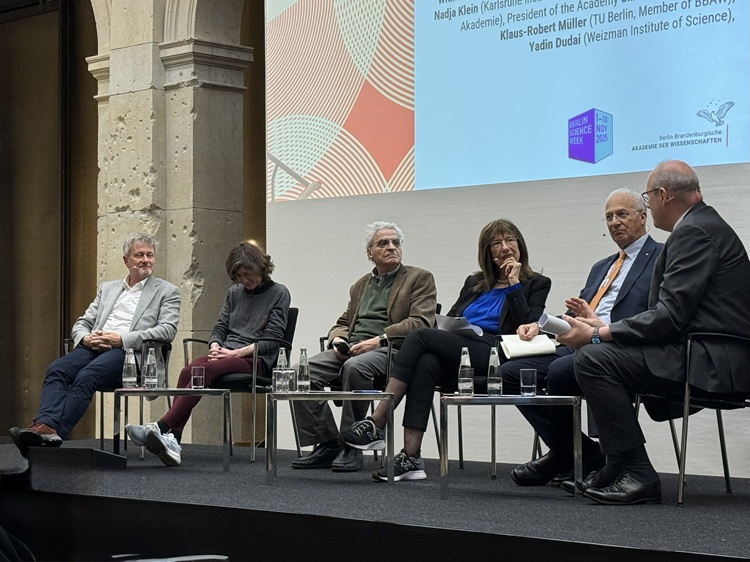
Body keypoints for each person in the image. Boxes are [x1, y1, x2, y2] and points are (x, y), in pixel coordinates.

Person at [558, 160, 750, 505]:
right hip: (703, 348)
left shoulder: (693, 231)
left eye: (647, 198)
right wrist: (602, 326)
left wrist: (600, 334)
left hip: (709, 359)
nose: (649, 204)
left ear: (663, 195)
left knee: (593, 358)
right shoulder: (703, 225)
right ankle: (617, 465)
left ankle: (638, 473)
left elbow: (669, 317)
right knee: (594, 355)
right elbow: (675, 314)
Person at [341, 219, 551, 481]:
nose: (505, 247)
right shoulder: (475, 282)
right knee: (426, 361)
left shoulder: (537, 283)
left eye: (510, 240)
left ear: (520, 245)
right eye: (496, 243)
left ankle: (378, 421)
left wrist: (513, 283)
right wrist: (454, 327)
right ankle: (411, 457)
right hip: (464, 349)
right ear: (487, 251)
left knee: (419, 335)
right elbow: (451, 317)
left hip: (499, 352)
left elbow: (527, 326)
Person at [505, 189, 663, 488]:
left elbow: (657, 315)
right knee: (512, 373)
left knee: (560, 370)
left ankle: (567, 454)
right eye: (609, 217)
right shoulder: (601, 266)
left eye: (622, 214)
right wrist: (541, 325)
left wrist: (601, 328)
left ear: (643, 217)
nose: (614, 222)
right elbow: (575, 314)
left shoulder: (661, 256)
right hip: (581, 343)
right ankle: (577, 450)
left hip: (618, 345)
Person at [8, 233, 181, 455]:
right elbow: (83, 322)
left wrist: (121, 339)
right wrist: (85, 338)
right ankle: (45, 426)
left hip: (128, 352)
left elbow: (167, 330)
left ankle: (50, 431)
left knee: (87, 376)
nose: (146, 260)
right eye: (139, 255)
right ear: (126, 260)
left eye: (150, 255)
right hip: (94, 347)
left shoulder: (167, 291)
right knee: (57, 369)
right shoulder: (108, 288)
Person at [125, 242, 290, 466]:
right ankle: (174, 440)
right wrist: (215, 345)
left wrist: (236, 354)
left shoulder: (279, 293)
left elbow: (273, 339)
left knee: (202, 369)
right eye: (239, 276)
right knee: (188, 370)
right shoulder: (234, 293)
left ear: (260, 268)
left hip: (256, 359)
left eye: (248, 273)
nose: (244, 280)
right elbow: (220, 327)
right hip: (226, 355)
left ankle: (160, 427)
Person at [291, 221, 437, 472]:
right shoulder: (360, 285)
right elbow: (343, 323)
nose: (391, 247)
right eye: (383, 243)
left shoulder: (419, 278)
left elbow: (421, 322)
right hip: (353, 348)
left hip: (392, 350)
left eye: (396, 242)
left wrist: (379, 339)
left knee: (355, 367)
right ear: (370, 252)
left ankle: (352, 444)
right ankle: (327, 443)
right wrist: (337, 340)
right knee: (298, 373)